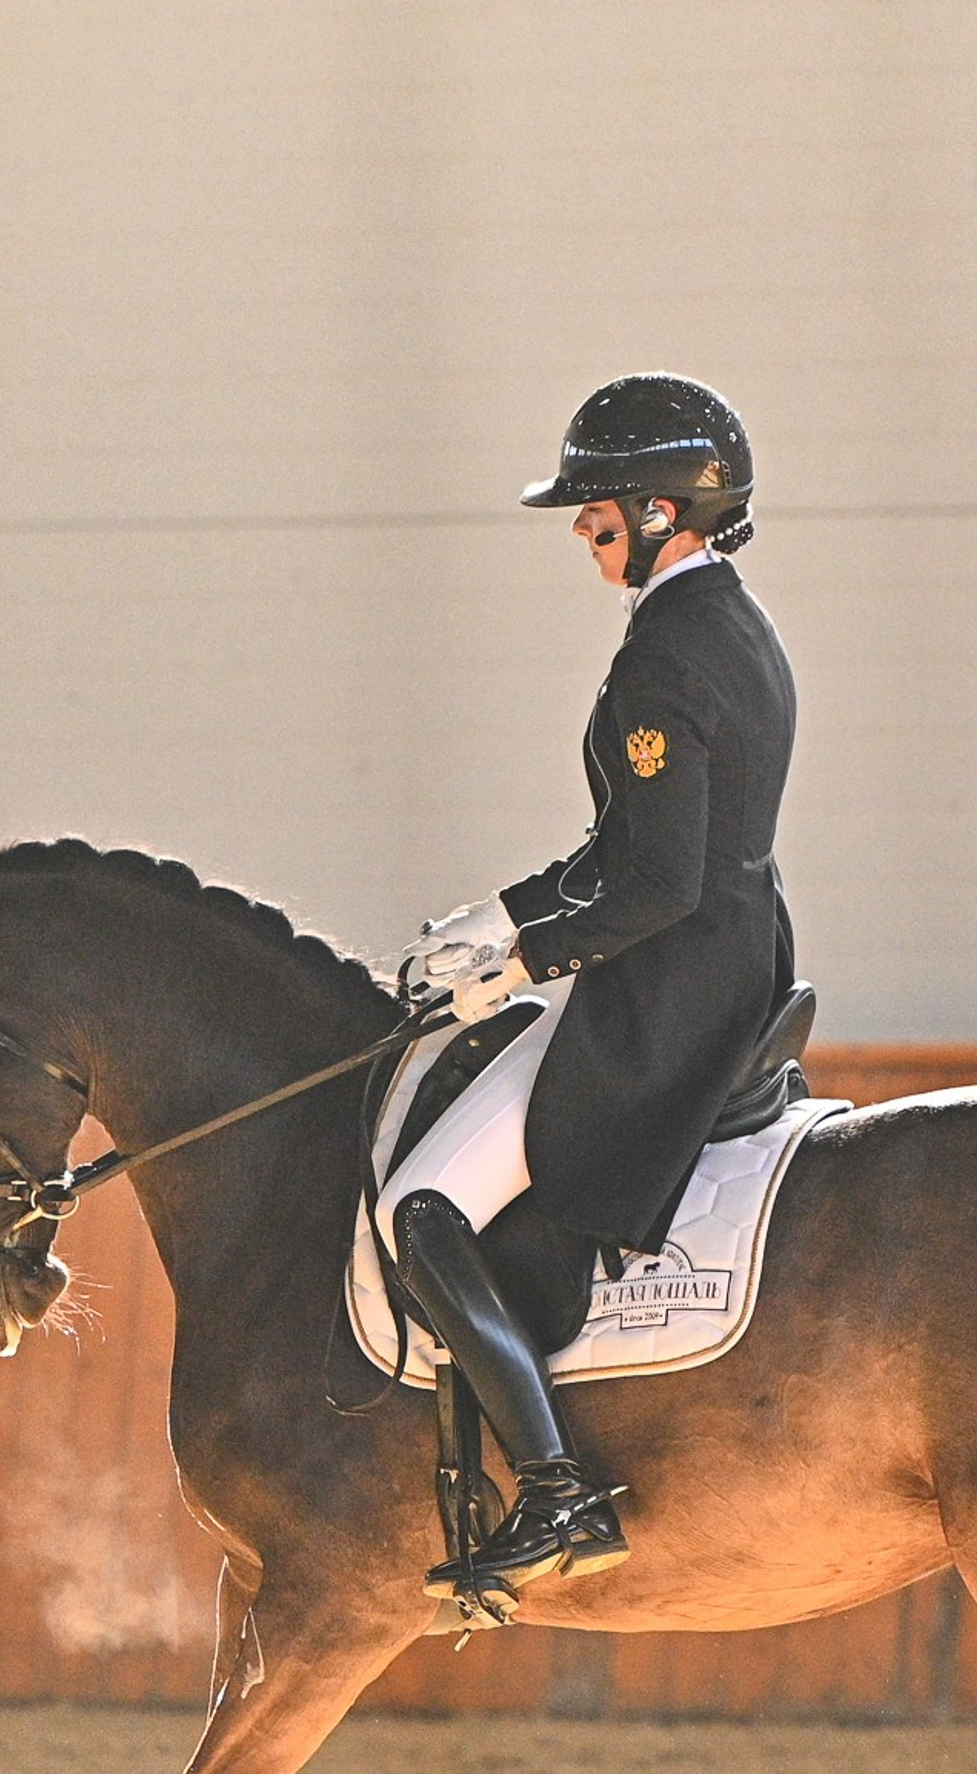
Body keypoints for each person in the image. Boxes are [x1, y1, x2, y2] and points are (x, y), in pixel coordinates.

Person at [386, 373, 803, 1596]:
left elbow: (654, 885)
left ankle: (557, 1489)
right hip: (739, 951)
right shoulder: (733, 621)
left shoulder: (663, 661)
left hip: (669, 989)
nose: (583, 527)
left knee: (422, 1207)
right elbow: (633, 849)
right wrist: (503, 915)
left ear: (669, 510)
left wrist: (521, 961)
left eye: (600, 506)